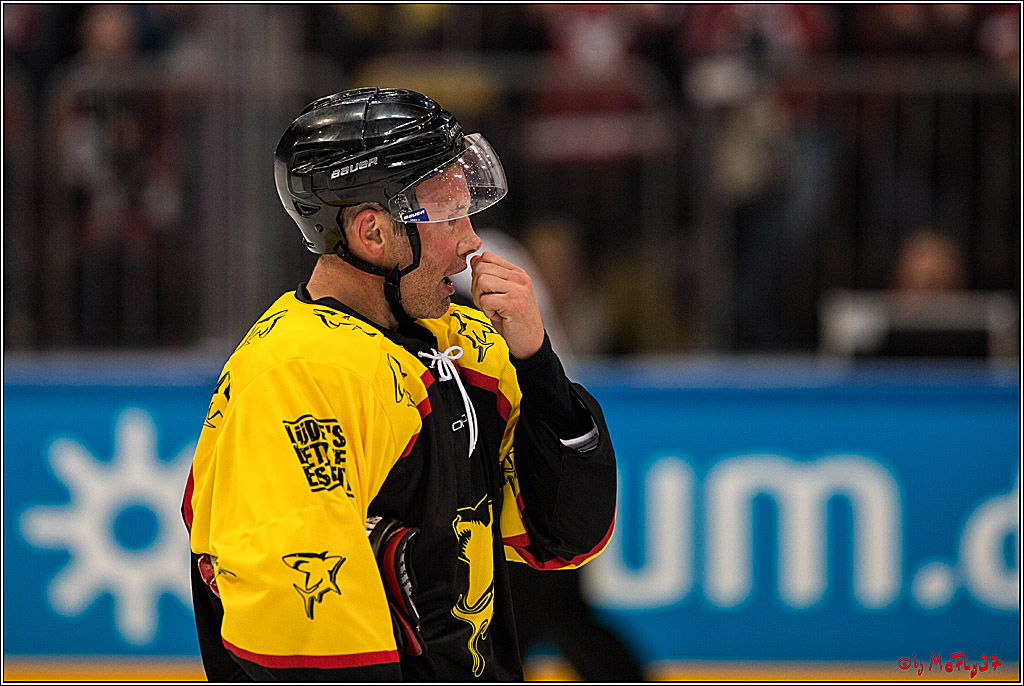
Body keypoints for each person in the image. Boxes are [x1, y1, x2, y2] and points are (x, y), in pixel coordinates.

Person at [181, 87, 618, 681]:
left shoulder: (468, 344)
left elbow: (563, 535)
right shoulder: (295, 374)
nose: (471, 242)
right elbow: (304, 631)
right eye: (448, 217)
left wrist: (538, 364)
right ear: (373, 234)